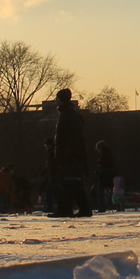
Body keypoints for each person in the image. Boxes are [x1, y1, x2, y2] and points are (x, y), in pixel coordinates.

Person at [52, 89, 91, 218]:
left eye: (57, 98)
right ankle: (67, 208)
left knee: (70, 182)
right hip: (71, 154)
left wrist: (67, 154)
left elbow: (69, 137)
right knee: (69, 182)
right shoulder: (69, 113)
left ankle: (78, 208)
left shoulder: (67, 115)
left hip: (69, 155)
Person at [94, 140, 117, 213]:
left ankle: (102, 207)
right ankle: (114, 205)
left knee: (101, 191)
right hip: (110, 175)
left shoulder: (104, 155)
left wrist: (99, 171)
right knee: (112, 191)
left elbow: (104, 165)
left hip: (104, 175)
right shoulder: (109, 153)